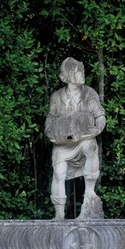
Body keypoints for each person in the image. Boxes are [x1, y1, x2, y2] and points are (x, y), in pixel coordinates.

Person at [45, 57, 106, 220]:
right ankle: (59, 213)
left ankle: (89, 195)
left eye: (82, 70)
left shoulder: (90, 94)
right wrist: (51, 133)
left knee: (90, 145)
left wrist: (96, 129)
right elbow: (50, 119)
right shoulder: (56, 97)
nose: (82, 73)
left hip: (84, 138)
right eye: (78, 71)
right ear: (66, 77)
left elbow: (100, 115)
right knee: (58, 173)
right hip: (63, 143)